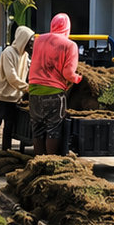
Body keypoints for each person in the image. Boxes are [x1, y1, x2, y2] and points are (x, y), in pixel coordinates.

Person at [26, 13, 81, 156]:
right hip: (53, 94)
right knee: (53, 129)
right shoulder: (70, 45)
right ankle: (50, 162)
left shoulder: (38, 40)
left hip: (33, 91)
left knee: (37, 129)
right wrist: (77, 78)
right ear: (67, 27)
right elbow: (68, 73)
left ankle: (38, 161)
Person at [0, 25, 34, 152]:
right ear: (23, 40)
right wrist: (27, 88)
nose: (31, 46)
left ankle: (5, 152)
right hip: (2, 95)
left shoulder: (24, 55)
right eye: (30, 42)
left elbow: (31, 67)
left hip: (15, 97)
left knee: (9, 127)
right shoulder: (8, 52)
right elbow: (11, 76)